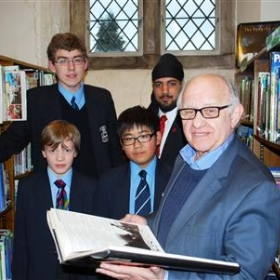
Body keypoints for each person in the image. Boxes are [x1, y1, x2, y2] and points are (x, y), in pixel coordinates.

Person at [96, 73, 280, 279]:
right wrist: (147, 224)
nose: (197, 123)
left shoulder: (257, 188)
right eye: (189, 112)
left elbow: (244, 275)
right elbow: (181, 218)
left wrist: (166, 278)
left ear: (235, 115)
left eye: (210, 111)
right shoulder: (186, 158)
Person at [0, 32, 124, 179]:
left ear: (85, 64)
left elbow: (115, 150)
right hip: (54, 193)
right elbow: (10, 142)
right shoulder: (35, 100)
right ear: (52, 66)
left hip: (97, 190)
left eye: (77, 60)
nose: (71, 68)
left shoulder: (102, 98)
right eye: (63, 61)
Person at [12, 120, 98, 280]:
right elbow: (21, 245)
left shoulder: (92, 188)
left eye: (66, 150)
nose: (60, 157)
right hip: (40, 273)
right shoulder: (27, 188)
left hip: (80, 274)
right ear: (43, 152)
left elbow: (95, 243)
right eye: (52, 150)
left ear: (76, 152)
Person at [96, 105, 171, 220]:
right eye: (129, 139)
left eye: (143, 136)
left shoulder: (173, 177)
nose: (137, 145)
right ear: (121, 144)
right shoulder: (107, 182)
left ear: (158, 137)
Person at [148, 53, 187, 168]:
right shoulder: (145, 119)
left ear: (181, 85)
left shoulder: (190, 122)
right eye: (158, 84)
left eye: (171, 84)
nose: (164, 91)